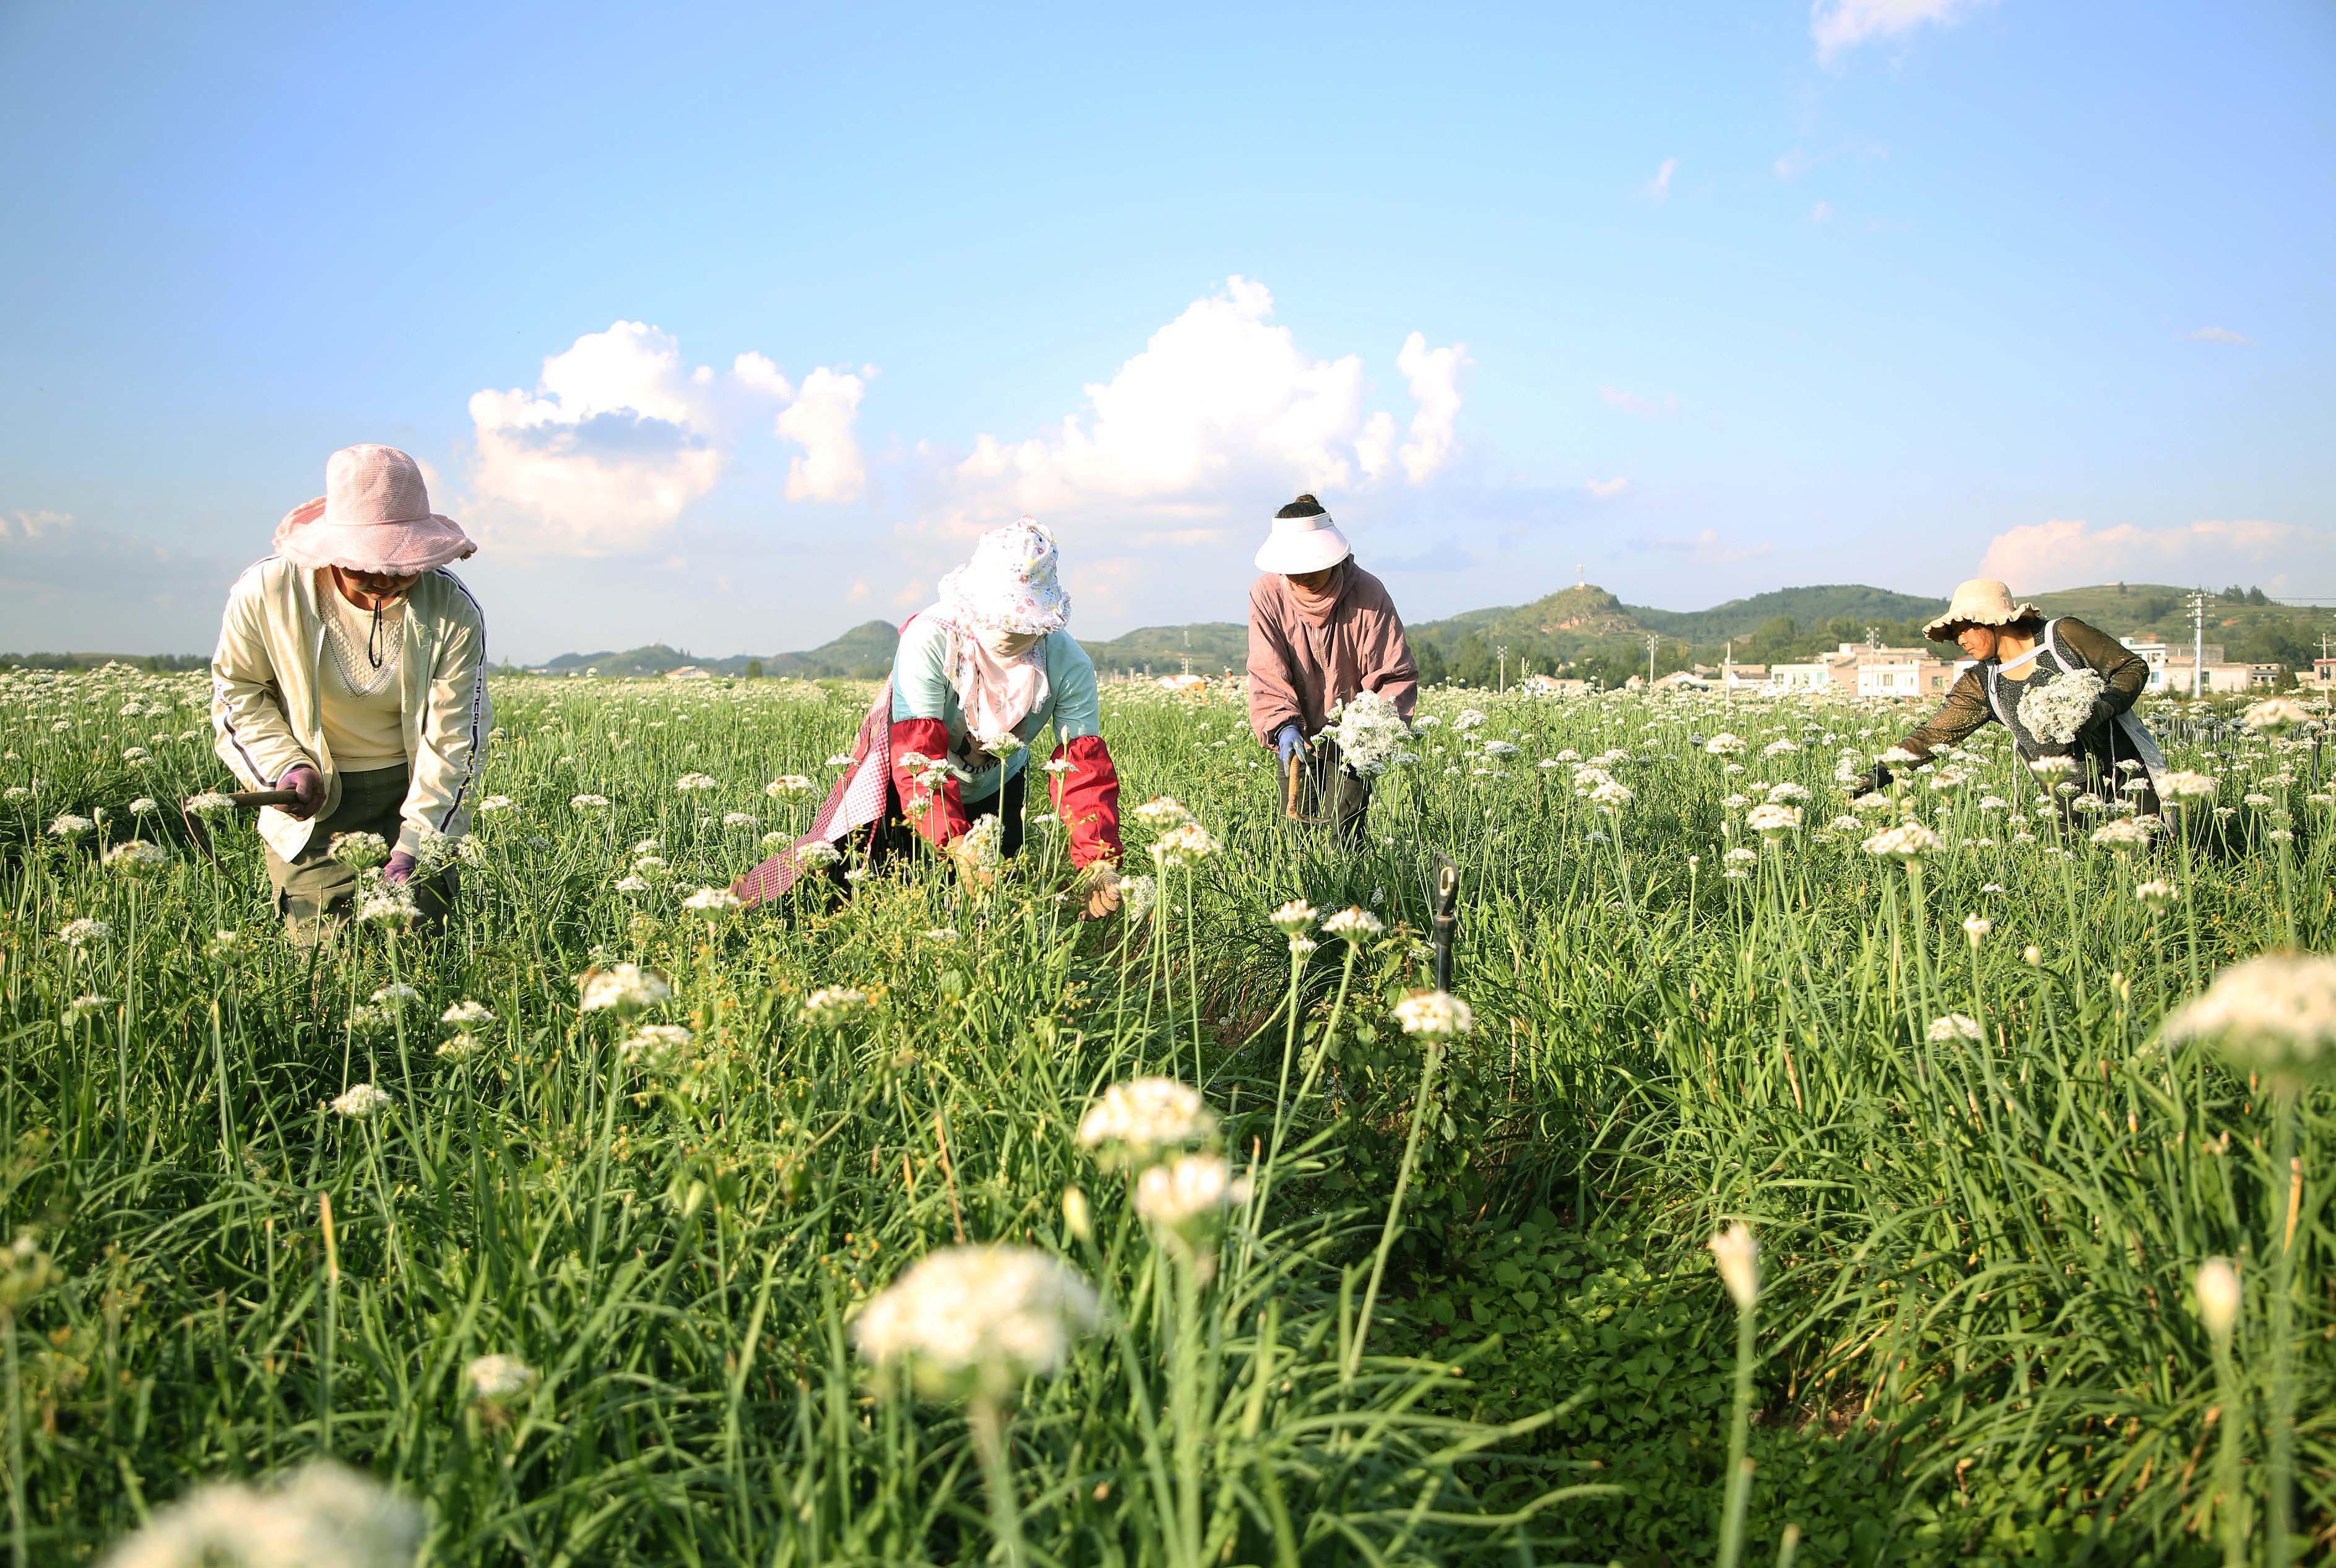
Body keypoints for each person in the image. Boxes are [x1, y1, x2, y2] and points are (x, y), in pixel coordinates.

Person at [733, 517, 1124, 913]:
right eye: (1000, 619)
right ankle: (742, 912)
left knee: (984, 911)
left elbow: (1083, 769)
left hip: (997, 788)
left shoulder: (1068, 663)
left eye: (1023, 624)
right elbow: (918, 754)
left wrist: (1098, 863)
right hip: (910, 791)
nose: (1010, 632)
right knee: (846, 891)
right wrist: (955, 844)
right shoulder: (931, 638)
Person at [210, 444, 489, 937]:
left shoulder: (452, 609)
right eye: (365, 565)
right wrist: (284, 767)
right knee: (327, 957)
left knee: (420, 953)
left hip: (415, 791)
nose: (383, 579)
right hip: (314, 804)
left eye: (400, 565)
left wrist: (418, 844)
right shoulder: (267, 593)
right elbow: (239, 694)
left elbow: (455, 739)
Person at [1860, 578, 2163, 813]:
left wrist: (2104, 707)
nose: (1960, 640)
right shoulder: (1983, 681)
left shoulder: (2063, 638)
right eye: (1954, 635)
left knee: (2147, 865)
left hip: (2129, 779)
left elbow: (2131, 667)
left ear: (1991, 621)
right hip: (2067, 800)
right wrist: (1878, 775)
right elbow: (1933, 736)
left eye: (1964, 629)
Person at [1245, 494, 1418, 838]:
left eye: (1312, 566)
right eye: (1294, 570)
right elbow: (1267, 670)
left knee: (1344, 834)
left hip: (1356, 739)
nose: (1303, 576)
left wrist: (1369, 735)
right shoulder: (1267, 594)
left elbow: (1392, 674)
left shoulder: (1368, 593)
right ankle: (1307, 893)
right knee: (1299, 837)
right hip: (1297, 732)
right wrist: (1282, 727)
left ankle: (1354, 892)